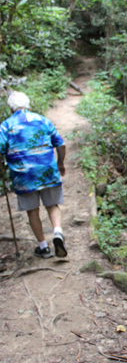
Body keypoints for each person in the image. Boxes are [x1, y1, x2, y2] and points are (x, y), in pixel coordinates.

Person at [0, 91, 68, 258]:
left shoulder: (6, 126)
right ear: (28, 104)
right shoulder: (43, 120)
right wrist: (60, 163)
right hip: (47, 171)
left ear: (10, 108)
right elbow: (61, 144)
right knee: (52, 205)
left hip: (23, 176)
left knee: (32, 210)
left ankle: (43, 247)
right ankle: (58, 233)